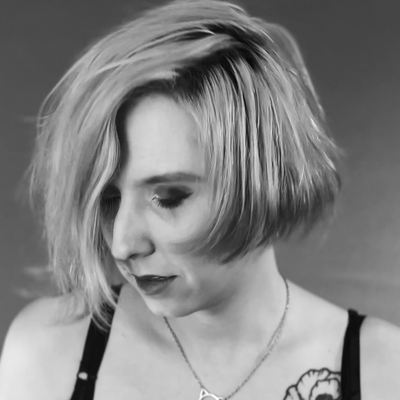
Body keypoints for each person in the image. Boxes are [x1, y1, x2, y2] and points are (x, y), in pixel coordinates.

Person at [1, 0, 399, 399]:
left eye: (168, 198)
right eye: (108, 199)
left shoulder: (383, 372)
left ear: (262, 180)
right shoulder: (49, 353)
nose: (123, 245)